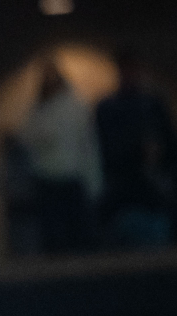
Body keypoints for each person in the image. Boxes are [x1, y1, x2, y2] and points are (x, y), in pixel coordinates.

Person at [19, 61, 103, 254]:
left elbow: (87, 146)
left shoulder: (75, 106)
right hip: (46, 177)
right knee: (53, 237)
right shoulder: (39, 108)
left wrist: (93, 180)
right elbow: (28, 135)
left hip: (71, 176)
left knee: (76, 234)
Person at [95, 48, 174, 248]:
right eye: (126, 69)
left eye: (134, 69)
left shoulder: (152, 104)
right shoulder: (108, 108)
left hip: (151, 188)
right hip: (122, 190)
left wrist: (159, 162)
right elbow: (104, 150)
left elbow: (168, 144)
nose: (131, 74)